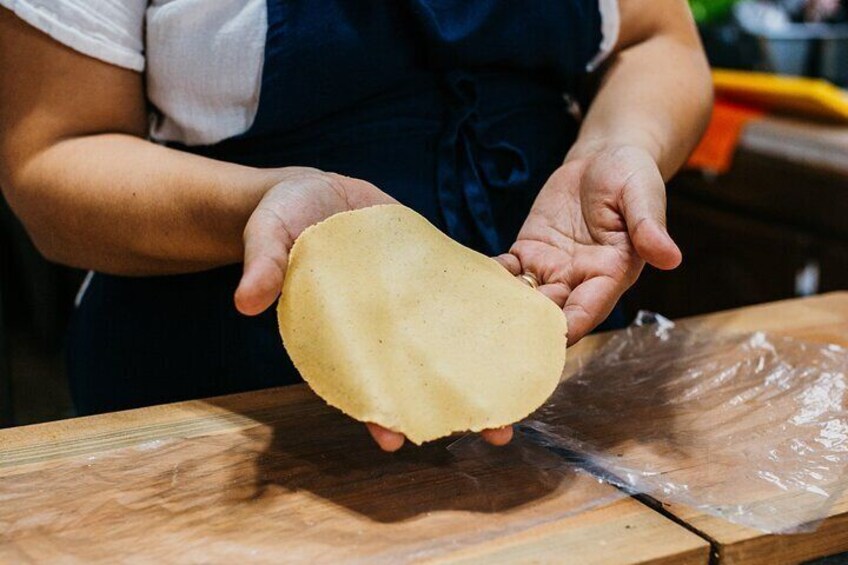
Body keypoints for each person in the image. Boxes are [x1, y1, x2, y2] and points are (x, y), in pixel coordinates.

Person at [0, 1, 712, 451]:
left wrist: (619, 142)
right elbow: (51, 156)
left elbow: (658, 40)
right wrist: (263, 202)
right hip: (224, 403)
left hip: (556, 367)